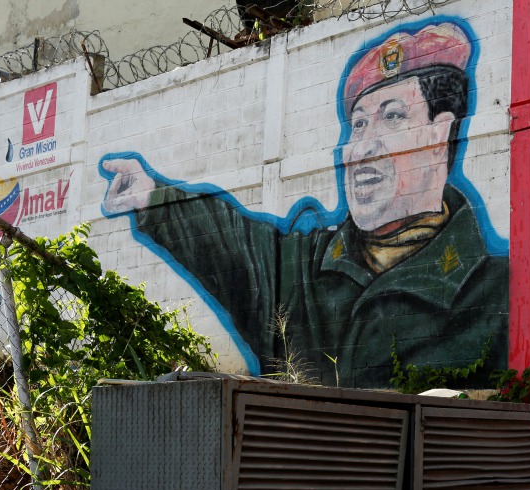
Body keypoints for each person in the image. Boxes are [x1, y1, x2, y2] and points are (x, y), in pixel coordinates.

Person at [100, 21, 508, 388]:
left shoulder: (494, 291)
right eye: (359, 123)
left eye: (393, 117)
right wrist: (154, 196)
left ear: (441, 136)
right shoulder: (306, 267)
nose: (363, 146)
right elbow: (228, 243)